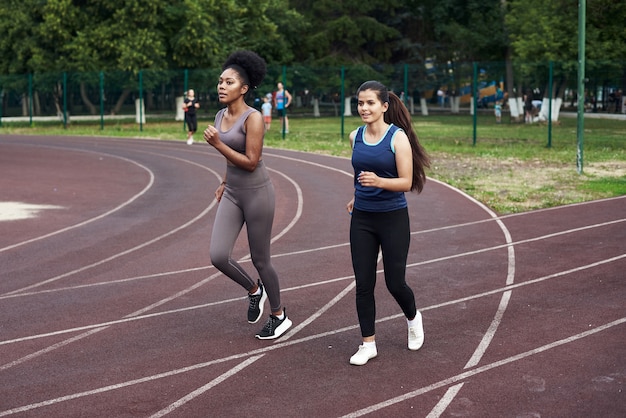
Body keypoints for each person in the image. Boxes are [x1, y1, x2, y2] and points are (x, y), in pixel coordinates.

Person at [203, 50, 292, 340]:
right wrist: (224, 180)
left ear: (243, 89)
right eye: (220, 81)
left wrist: (217, 144)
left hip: (257, 193)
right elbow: (233, 158)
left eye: (228, 82)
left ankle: (279, 315)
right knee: (218, 256)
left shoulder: (252, 118)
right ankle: (255, 290)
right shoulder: (219, 115)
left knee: (260, 259)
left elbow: (251, 160)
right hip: (232, 192)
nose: (221, 86)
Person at [346, 80, 430, 366]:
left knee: (395, 282)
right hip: (362, 218)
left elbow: (406, 182)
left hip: (393, 217)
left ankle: (413, 317)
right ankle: (367, 343)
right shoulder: (354, 135)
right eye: (360, 103)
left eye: (370, 103)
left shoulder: (397, 138)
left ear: (384, 106)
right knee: (363, 283)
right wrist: (356, 197)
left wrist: (379, 181)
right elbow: (358, 173)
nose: (364, 108)